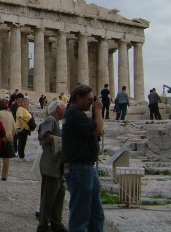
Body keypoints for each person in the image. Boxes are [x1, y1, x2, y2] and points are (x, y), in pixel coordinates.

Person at [62, 84, 104, 232]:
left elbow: (94, 130)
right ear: (78, 98)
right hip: (79, 169)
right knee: (81, 215)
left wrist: (94, 113)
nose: (91, 102)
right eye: (89, 99)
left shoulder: (78, 114)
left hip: (86, 168)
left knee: (96, 213)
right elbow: (98, 130)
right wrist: (98, 110)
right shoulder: (73, 114)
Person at [37, 100, 68, 232]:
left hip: (57, 165)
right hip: (51, 164)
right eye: (64, 108)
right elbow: (45, 137)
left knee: (59, 195)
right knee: (48, 197)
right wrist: (65, 140)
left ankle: (56, 222)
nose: (66, 111)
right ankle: (43, 225)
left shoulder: (56, 121)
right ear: (58, 109)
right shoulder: (50, 120)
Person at [0, 99, 16, 181]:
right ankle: (4, 176)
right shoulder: (10, 115)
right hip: (9, 137)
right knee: (6, 158)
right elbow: (14, 127)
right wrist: (12, 135)